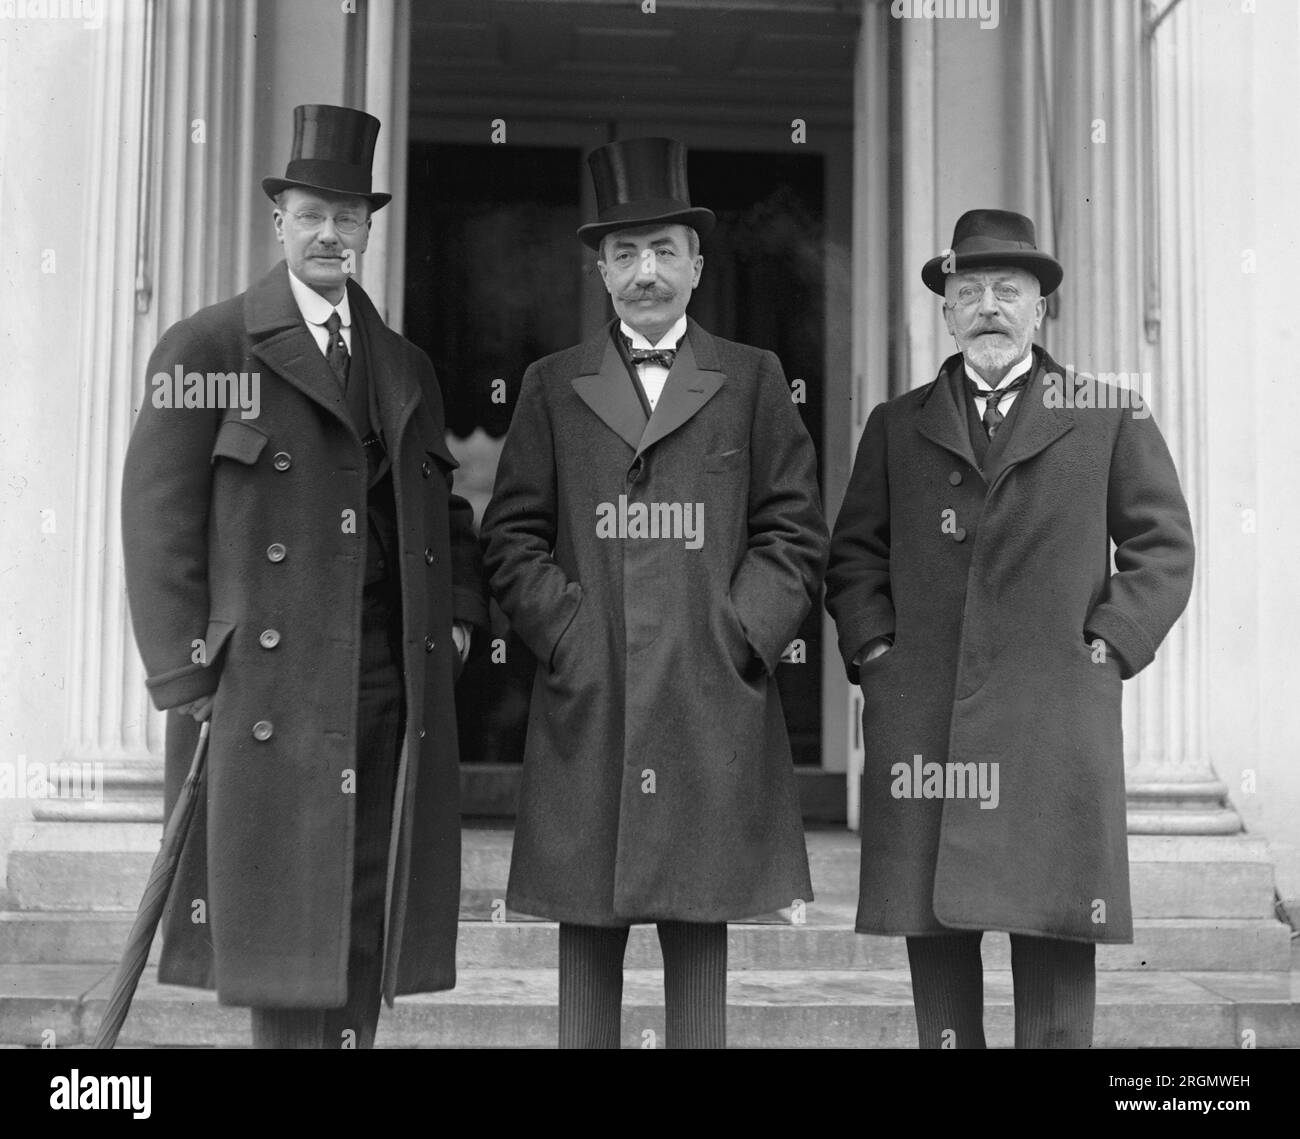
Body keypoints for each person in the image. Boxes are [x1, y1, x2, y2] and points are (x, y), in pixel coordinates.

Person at [121, 104, 485, 1048]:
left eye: (350, 216)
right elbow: (156, 521)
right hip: (263, 692)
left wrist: (455, 615)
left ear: (368, 229)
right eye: (313, 212)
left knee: (364, 919)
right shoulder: (210, 348)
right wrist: (184, 676)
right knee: (285, 937)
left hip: (381, 683)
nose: (331, 233)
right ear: (279, 219)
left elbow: (445, 508)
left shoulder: (402, 365)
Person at [482, 137, 827, 1049]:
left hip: (706, 696)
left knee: (699, 930)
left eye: (665, 250)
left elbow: (794, 533)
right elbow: (510, 536)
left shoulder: (752, 378)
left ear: (698, 264)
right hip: (589, 703)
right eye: (626, 254)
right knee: (586, 939)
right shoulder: (551, 387)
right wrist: (569, 636)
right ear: (600, 269)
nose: (647, 272)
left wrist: (736, 632)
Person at [825, 208, 1195, 1048]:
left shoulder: (1108, 415)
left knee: (1058, 951)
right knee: (941, 972)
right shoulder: (898, 422)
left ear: (1040, 310)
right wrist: (879, 654)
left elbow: (1162, 545)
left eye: (1008, 290)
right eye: (970, 291)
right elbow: (853, 559)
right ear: (947, 312)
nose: (989, 306)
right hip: (928, 726)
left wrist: (1108, 644)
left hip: (1054, 723)